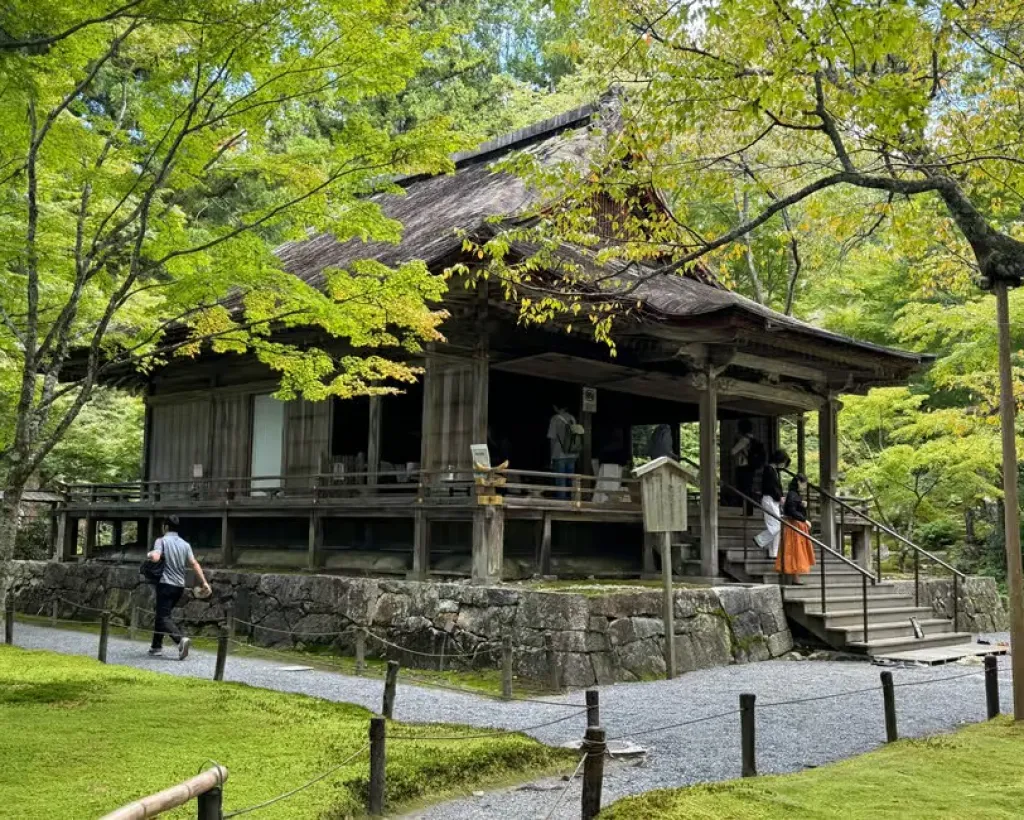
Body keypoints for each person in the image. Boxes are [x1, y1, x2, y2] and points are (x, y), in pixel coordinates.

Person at [145, 516, 211, 659]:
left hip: (165, 584)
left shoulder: (161, 541)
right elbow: (194, 563)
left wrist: (149, 554)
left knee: (163, 617)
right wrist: (204, 582)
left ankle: (180, 640)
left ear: (166, 527)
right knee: (162, 614)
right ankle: (156, 647)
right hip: (179, 587)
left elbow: (155, 557)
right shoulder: (185, 544)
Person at [776, 473, 816, 581]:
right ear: (799, 482)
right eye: (804, 484)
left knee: (795, 550)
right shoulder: (793, 494)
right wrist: (804, 520)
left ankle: (794, 577)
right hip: (794, 524)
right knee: (795, 550)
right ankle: (794, 577)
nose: (805, 486)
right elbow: (791, 510)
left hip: (796, 524)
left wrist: (801, 504)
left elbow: (792, 506)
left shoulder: (794, 494)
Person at [753, 449, 789, 558]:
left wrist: (780, 497)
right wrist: (780, 497)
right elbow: (771, 487)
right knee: (776, 526)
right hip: (769, 499)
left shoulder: (773, 470)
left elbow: (776, 487)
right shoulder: (769, 470)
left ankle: (773, 552)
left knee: (777, 526)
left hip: (773, 500)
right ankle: (760, 539)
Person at [547, 406, 582, 497]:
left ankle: (562, 503)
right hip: (572, 453)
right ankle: (572, 500)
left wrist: (551, 457)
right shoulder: (572, 418)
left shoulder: (555, 419)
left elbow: (552, 439)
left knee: (561, 481)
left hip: (559, 454)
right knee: (570, 480)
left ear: (556, 407)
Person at [730, 419, 764, 513]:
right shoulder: (753, 440)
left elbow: (733, 452)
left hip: (743, 467)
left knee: (743, 489)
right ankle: (749, 509)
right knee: (748, 488)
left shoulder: (744, 440)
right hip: (751, 467)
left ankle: (746, 510)